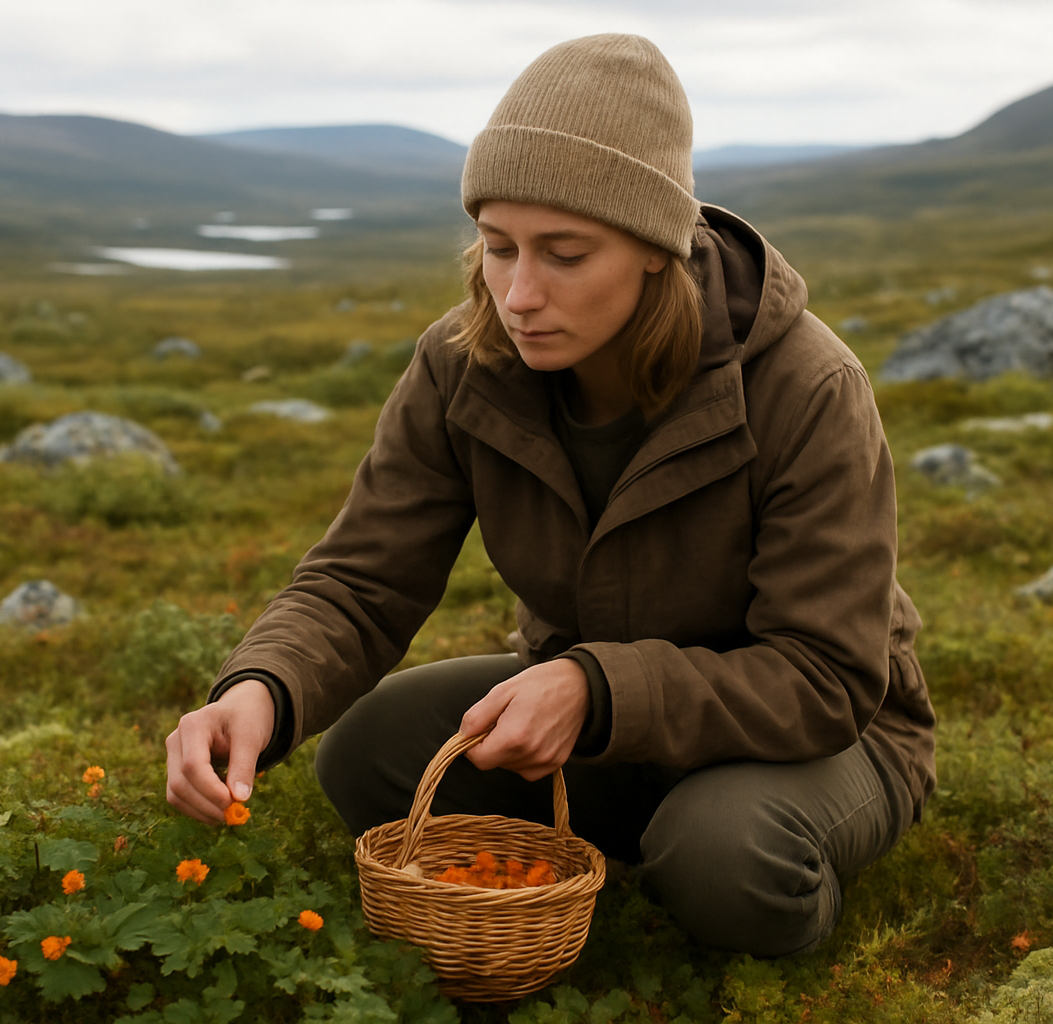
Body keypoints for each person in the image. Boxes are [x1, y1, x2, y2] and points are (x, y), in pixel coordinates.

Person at [166, 33, 936, 957]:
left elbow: (824, 677)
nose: (519, 294)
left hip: (816, 739)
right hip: (601, 724)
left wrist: (595, 688)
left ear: (656, 249)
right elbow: (363, 581)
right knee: (368, 752)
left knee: (725, 854)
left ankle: (729, 877)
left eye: (565, 254)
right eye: (499, 248)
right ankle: (621, 852)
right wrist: (261, 688)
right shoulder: (461, 364)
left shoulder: (806, 386)